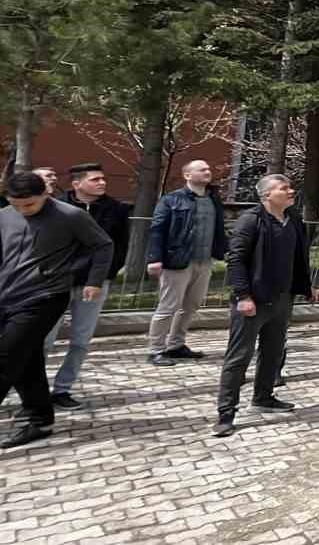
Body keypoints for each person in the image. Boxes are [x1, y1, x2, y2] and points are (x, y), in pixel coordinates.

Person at [0, 171, 112, 448]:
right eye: (16, 205)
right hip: (6, 296)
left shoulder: (71, 215)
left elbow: (102, 245)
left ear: (45, 194)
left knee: (6, 358)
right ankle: (40, 420)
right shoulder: (4, 215)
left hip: (45, 296)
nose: (23, 211)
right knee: (27, 359)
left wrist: (93, 279)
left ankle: (38, 418)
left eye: (30, 205)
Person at [213, 174, 315, 438]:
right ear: (266, 195)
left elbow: (299, 257)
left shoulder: (293, 221)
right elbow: (235, 260)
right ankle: (226, 413)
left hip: (282, 299)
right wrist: (243, 295)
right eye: (284, 188)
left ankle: (264, 397)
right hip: (253, 301)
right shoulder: (251, 220)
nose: (291, 191)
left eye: (290, 187)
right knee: (238, 357)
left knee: (272, 352)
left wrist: (306, 285)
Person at [42, 163, 131, 409]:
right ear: (77, 184)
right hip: (57, 282)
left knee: (81, 340)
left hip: (94, 285)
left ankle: (62, 389)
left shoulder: (116, 209)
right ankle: (35, 390)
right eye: (95, 179)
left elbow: (120, 246)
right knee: (44, 340)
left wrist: (105, 276)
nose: (102, 183)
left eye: (103, 179)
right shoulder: (55, 207)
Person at [145, 159, 228, 366]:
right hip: (177, 261)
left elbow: (218, 229)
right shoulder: (171, 200)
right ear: (187, 175)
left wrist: (224, 250)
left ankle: (176, 345)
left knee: (191, 306)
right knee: (168, 307)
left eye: (209, 168)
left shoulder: (213, 199)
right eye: (202, 169)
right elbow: (157, 230)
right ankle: (155, 349)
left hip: (205, 261)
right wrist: (155, 258)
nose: (208, 171)